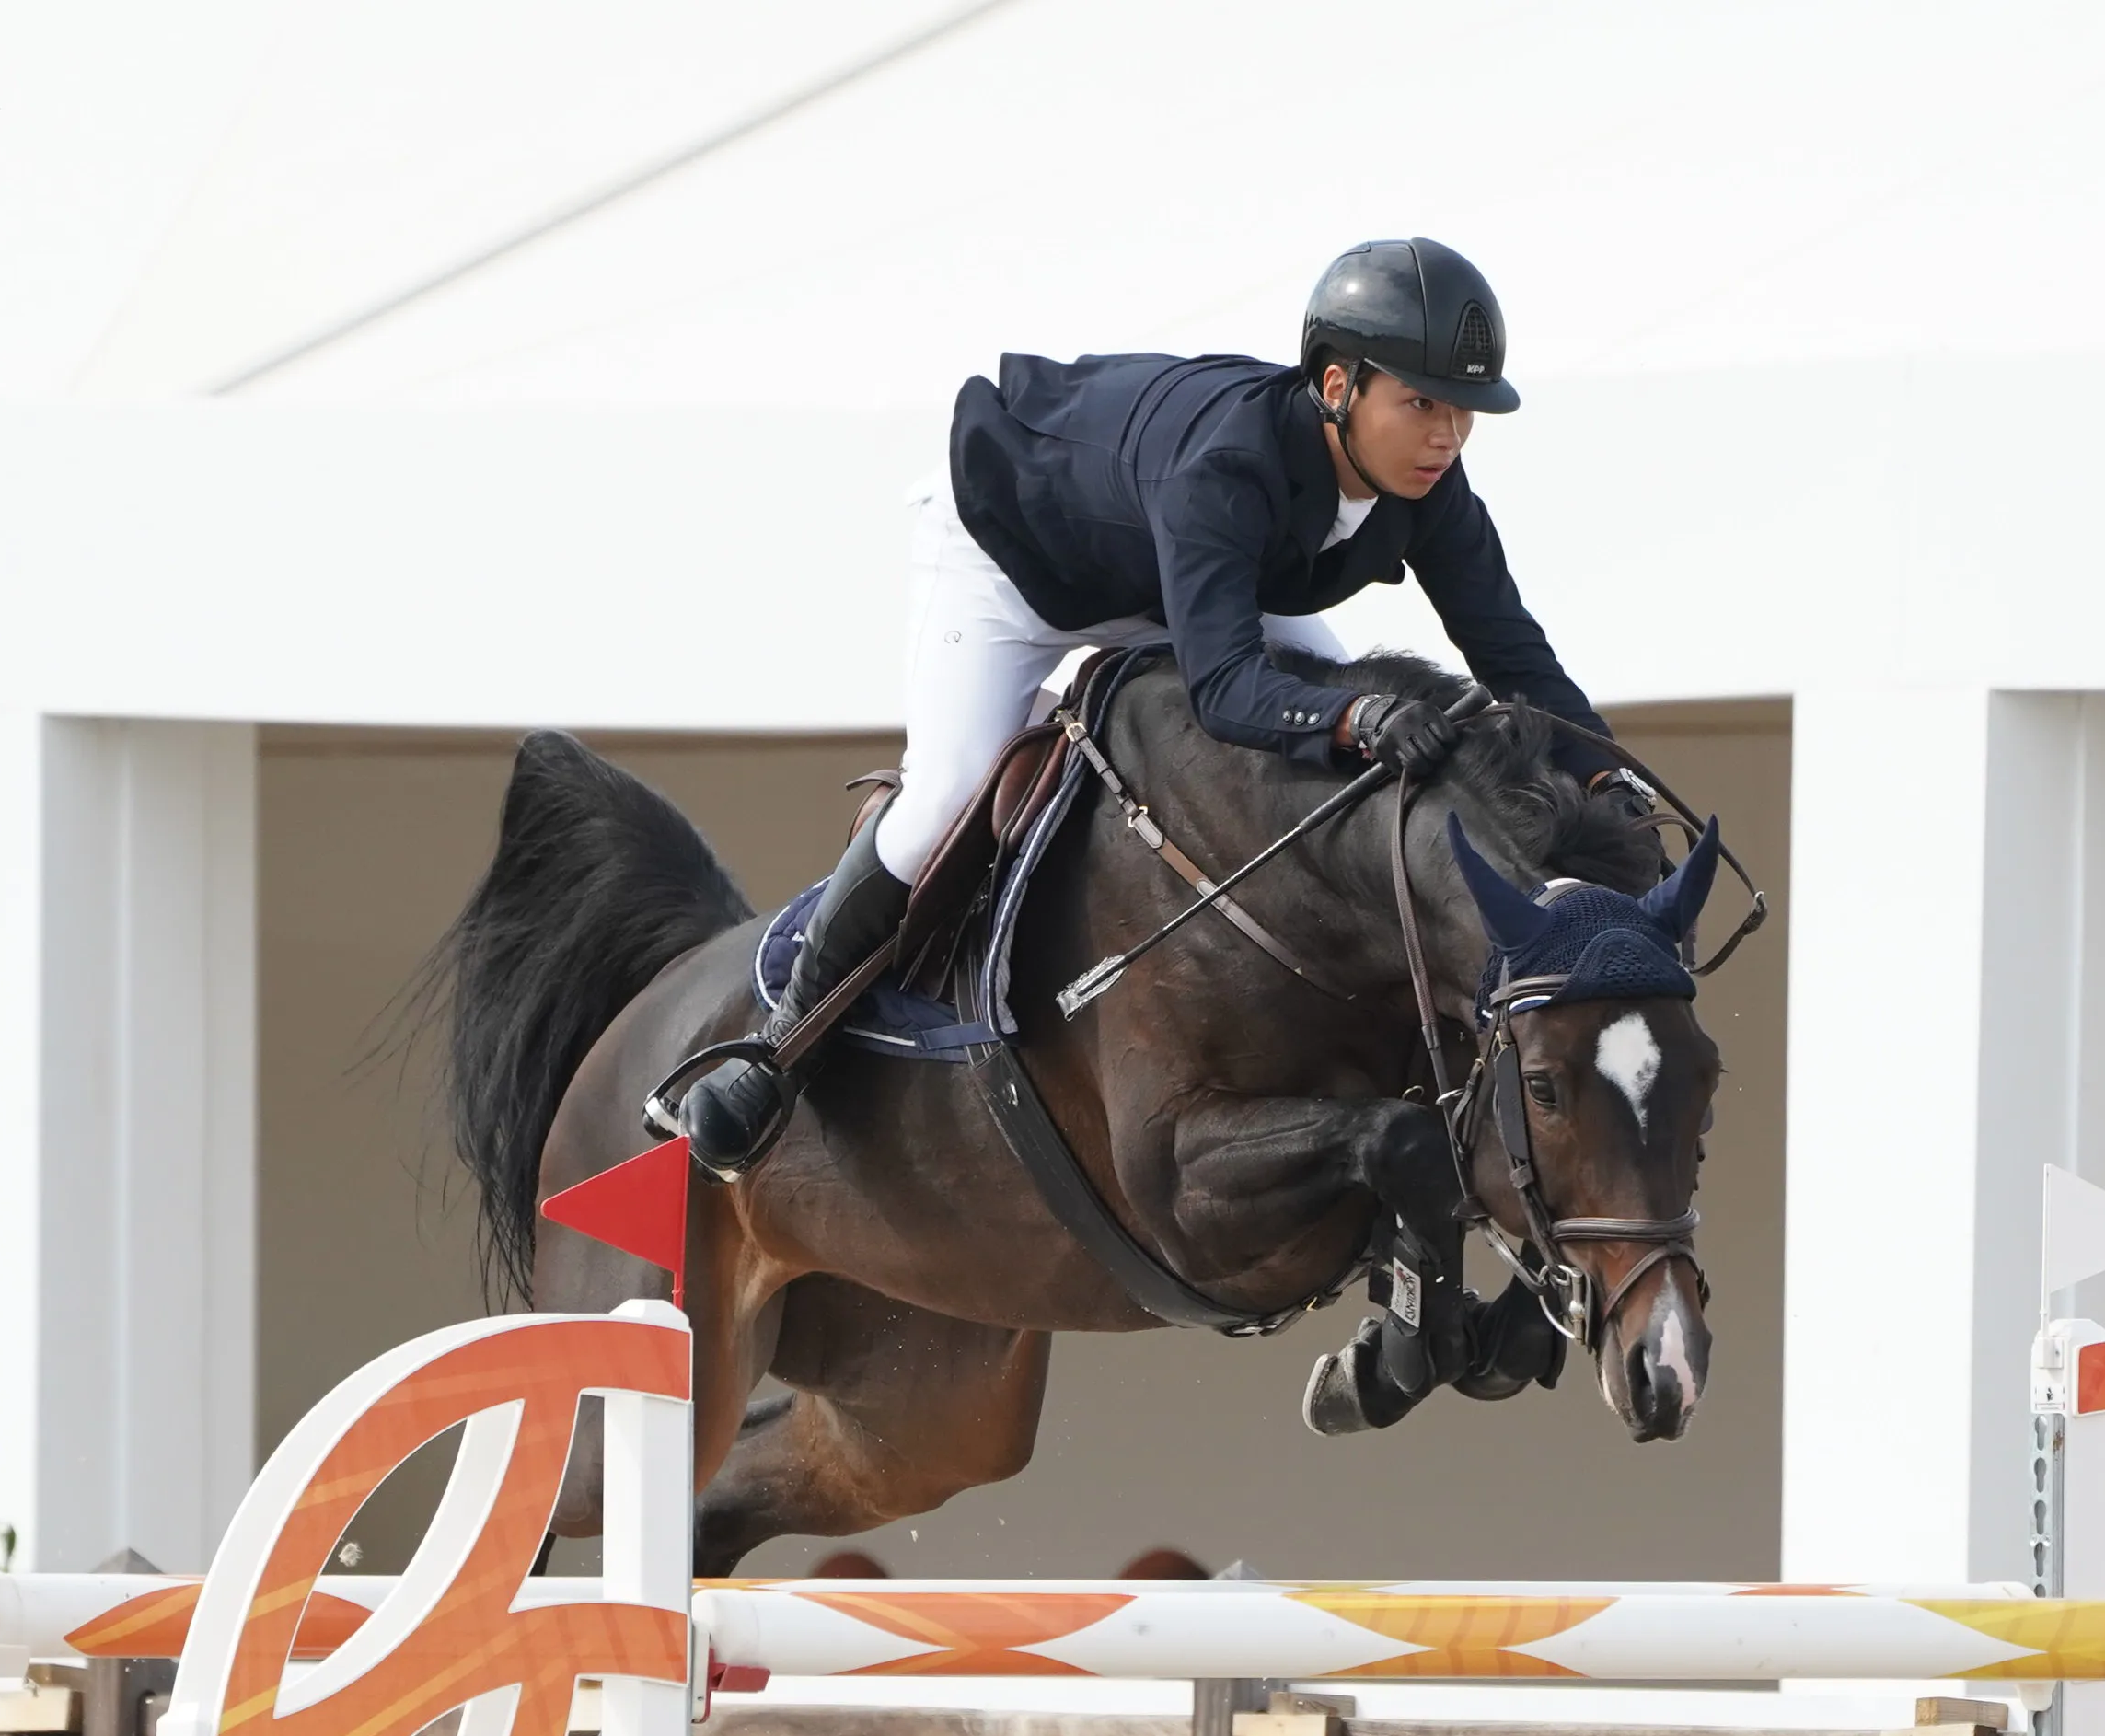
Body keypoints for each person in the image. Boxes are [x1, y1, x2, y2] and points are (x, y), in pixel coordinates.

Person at [668, 237, 1613, 1174]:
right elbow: (1227, 689)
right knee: (946, 794)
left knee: (1353, 718)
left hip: (1189, 572)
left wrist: (1606, 773)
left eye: (1461, 412)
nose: (1446, 436)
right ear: (1335, 387)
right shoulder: (1226, 466)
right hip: (1013, 562)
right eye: (1419, 404)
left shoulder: (1430, 487)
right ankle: (778, 1043)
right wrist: (1350, 721)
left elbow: (1510, 654)